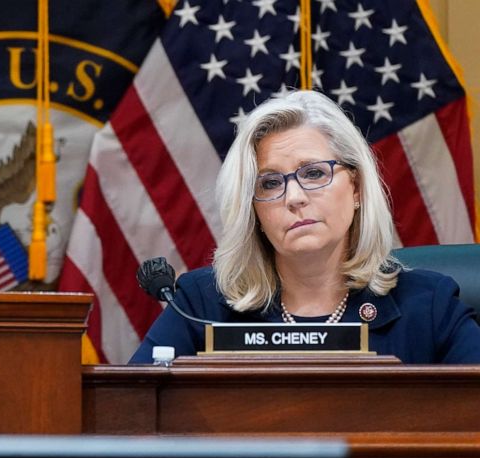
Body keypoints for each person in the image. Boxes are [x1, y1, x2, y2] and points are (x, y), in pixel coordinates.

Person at [130, 90, 480, 365]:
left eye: (314, 173)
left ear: (356, 188)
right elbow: (132, 417)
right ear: (252, 210)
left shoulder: (428, 305)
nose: (294, 197)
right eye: (269, 183)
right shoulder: (200, 305)